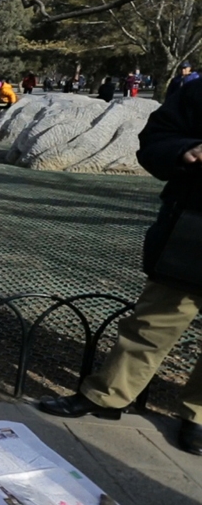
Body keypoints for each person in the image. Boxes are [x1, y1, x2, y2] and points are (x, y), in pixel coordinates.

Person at [38, 78, 202, 455]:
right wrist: (186, 150)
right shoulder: (198, 92)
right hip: (193, 229)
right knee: (153, 322)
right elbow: (157, 140)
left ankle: (198, 416)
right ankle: (107, 396)